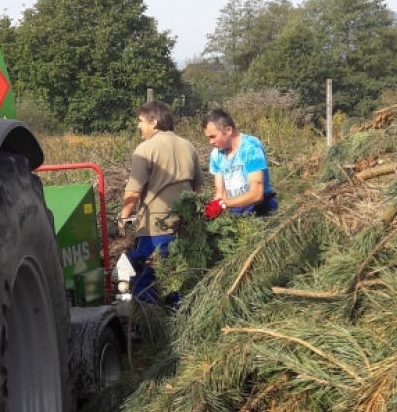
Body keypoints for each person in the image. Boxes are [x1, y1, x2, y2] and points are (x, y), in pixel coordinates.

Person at [119, 100, 203, 303]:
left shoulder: (145, 149)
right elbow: (199, 189)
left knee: (146, 279)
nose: (139, 126)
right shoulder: (188, 146)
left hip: (154, 229)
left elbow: (133, 191)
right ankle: (181, 325)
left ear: (154, 122)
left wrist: (123, 217)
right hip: (184, 226)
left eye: (141, 121)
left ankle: (150, 328)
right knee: (178, 278)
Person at [201, 108, 278, 219]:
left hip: (261, 210)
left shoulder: (250, 148)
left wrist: (223, 204)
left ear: (228, 130)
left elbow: (257, 194)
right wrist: (211, 210)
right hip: (236, 210)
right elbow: (220, 194)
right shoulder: (216, 155)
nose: (211, 142)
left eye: (213, 136)